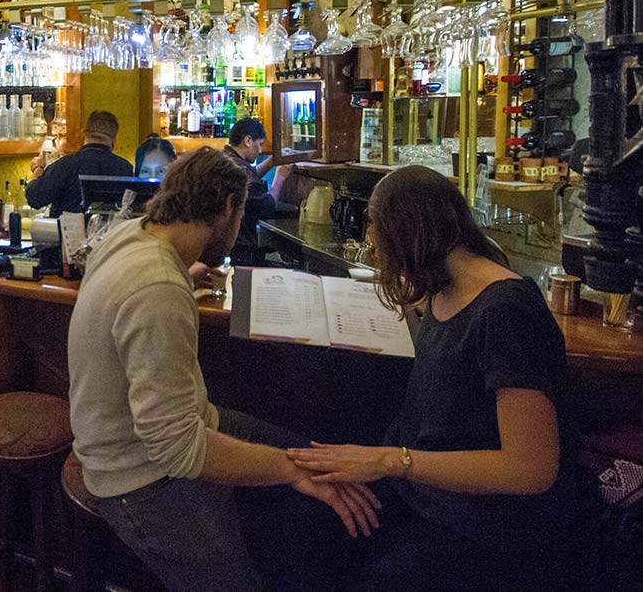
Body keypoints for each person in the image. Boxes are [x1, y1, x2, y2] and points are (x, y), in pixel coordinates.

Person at [68, 147, 379, 592]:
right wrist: (287, 470)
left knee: (317, 464)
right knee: (292, 499)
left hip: (160, 440)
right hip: (137, 481)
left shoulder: (133, 236)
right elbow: (179, 450)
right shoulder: (156, 286)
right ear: (229, 208)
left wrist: (183, 273)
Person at [286, 165, 573, 592]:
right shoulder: (445, 289)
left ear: (406, 233)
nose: (371, 245)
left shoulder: (505, 311)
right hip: (423, 498)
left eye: (374, 230)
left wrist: (388, 461)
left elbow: (530, 468)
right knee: (299, 521)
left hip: (480, 526)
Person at [25, 110, 133, 216]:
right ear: (114, 141)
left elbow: (35, 198)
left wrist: (38, 169)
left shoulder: (65, 165)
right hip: (112, 232)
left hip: (67, 232)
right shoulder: (125, 169)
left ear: (83, 134)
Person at [221, 117, 290, 265]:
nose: (260, 151)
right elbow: (265, 207)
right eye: (259, 144)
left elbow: (248, 177)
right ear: (248, 140)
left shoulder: (226, 158)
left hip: (226, 244)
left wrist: (272, 162)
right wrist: (280, 178)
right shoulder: (241, 168)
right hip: (240, 248)